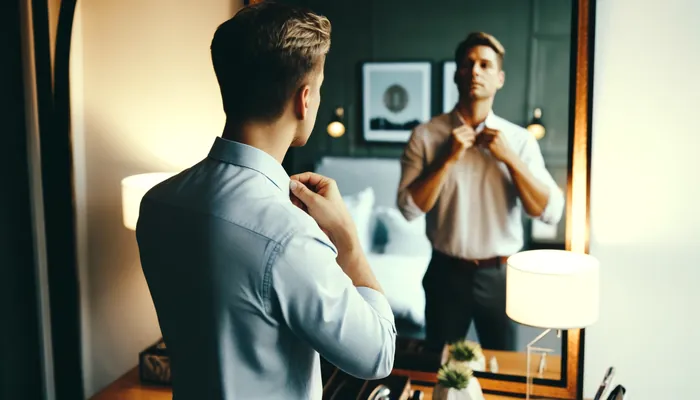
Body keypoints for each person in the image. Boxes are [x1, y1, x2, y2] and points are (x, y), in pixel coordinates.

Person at [135, 3, 396, 399]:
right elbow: (377, 355)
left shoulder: (156, 204)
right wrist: (348, 242)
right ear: (304, 100)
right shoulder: (291, 236)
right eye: (320, 89)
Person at [396, 32, 564, 352]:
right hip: (446, 273)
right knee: (440, 366)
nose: (475, 71)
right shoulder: (426, 136)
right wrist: (446, 158)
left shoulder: (519, 141)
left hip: (502, 277)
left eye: (485, 65)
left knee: (506, 366)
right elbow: (408, 208)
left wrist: (510, 158)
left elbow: (550, 210)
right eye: (468, 64)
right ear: (456, 74)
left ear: (499, 78)